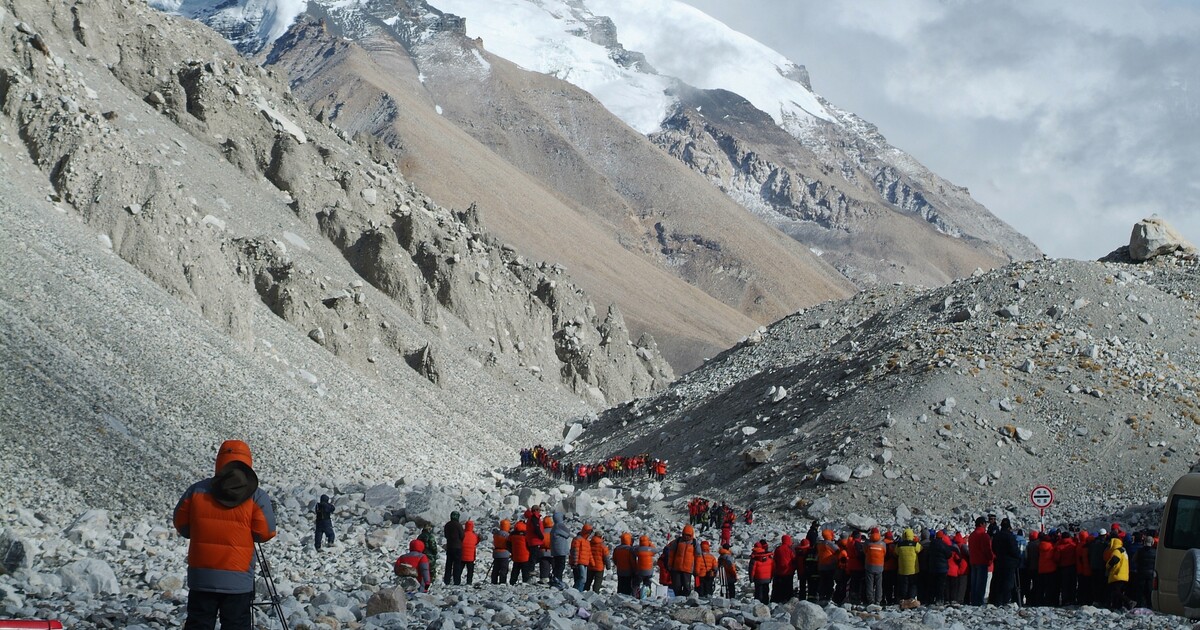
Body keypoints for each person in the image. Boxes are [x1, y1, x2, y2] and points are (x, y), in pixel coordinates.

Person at [173, 440, 277, 630]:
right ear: (248, 463)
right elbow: (265, 533)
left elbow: (182, 527)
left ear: (219, 461)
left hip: (201, 577)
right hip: (238, 579)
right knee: (236, 625)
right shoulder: (256, 496)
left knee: (199, 624)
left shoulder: (197, 490)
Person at [991, 518, 1021, 606]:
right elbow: (1014, 550)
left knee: (998, 581)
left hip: (999, 561)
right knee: (1008, 582)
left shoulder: (997, 535)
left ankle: (997, 600)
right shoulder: (1010, 536)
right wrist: (1017, 557)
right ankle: (1006, 600)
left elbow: (993, 548)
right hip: (1009, 563)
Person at [666, 525, 701, 597]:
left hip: (687, 570)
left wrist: (697, 570)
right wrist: (670, 565)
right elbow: (672, 554)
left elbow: (698, 558)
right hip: (676, 568)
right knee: (676, 586)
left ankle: (685, 599)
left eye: (688, 535)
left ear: (692, 534)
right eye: (685, 534)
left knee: (686, 587)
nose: (686, 536)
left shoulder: (694, 543)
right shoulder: (678, 541)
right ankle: (678, 599)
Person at [968, 517, 994, 606]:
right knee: (981, 583)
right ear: (981, 524)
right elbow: (987, 549)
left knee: (974, 582)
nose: (986, 525)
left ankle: (974, 600)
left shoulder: (972, 535)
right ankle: (979, 601)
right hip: (982, 561)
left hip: (973, 561)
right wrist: (991, 558)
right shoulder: (983, 535)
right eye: (985, 523)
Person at [860, 528, 887, 606]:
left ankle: (870, 600)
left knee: (869, 584)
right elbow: (884, 553)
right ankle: (878, 600)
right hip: (880, 566)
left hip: (869, 566)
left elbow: (865, 552)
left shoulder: (867, 543)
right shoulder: (883, 544)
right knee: (879, 584)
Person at [896, 528, 921, 605]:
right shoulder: (915, 544)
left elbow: (896, 553)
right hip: (913, 569)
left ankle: (904, 598)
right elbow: (920, 549)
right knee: (913, 584)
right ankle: (912, 598)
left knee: (904, 584)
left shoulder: (899, 545)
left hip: (903, 569)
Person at [1106, 536, 1132, 610]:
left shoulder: (1116, 551)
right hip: (1124, 574)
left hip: (1117, 574)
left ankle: (1128, 601)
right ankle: (1117, 606)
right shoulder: (1123, 551)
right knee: (1119, 592)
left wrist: (1108, 565)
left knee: (1115, 591)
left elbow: (1115, 559)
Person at [771, 534, 796, 603]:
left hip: (779, 572)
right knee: (788, 587)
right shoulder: (790, 550)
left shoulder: (778, 549)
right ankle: (787, 599)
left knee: (778, 588)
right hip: (788, 571)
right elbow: (793, 559)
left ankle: (777, 600)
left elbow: (775, 560)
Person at [550, 512, 572, 588]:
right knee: (561, 565)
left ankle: (555, 578)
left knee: (557, 565)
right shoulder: (560, 525)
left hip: (555, 549)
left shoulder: (554, 526)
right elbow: (567, 533)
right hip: (561, 549)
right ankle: (558, 579)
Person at [570, 524, 594, 591]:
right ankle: (576, 591)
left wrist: (592, 563)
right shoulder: (578, 539)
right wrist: (575, 562)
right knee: (583, 579)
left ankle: (577, 591)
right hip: (579, 562)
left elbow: (589, 553)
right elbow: (575, 551)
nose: (589, 534)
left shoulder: (586, 541)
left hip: (584, 562)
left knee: (581, 578)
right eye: (589, 532)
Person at [443, 511, 464, 585]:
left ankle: (446, 580)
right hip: (457, 547)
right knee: (457, 565)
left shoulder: (447, 525)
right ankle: (457, 581)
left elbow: (445, 535)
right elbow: (462, 536)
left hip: (449, 546)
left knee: (448, 564)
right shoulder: (459, 525)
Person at [491, 519, 511, 584]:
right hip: (504, 553)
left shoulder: (496, 534)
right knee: (503, 569)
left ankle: (494, 581)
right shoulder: (507, 535)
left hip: (496, 553)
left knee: (496, 568)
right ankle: (502, 582)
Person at [460, 520, 479, 585]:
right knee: (470, 571)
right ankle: (469, 582)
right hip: (471, 556)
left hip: (462, 555)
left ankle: (457, 581)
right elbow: (476, 542)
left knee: (460, 570)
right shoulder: (474, 536)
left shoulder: (462, 534)